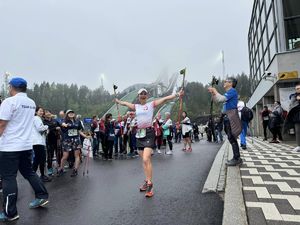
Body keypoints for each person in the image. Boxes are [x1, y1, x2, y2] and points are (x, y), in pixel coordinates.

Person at [115, 88, 184, 198]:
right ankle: (147, 180)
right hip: (139, 134)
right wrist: (118, 102)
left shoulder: (152, 104)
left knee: (146, 158)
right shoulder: (136, 107)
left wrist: (177, 94)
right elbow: (126, 104)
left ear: (147, 96)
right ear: (138, 96)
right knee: (144, 161)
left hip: (149, 133)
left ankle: (150, 185)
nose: (143, 95)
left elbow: (165, 99)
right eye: (141, 94)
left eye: (144, 94)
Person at [0, 77, 49, 222]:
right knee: (29, 172)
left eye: (9, 87)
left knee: (9, 177)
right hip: (26, 145)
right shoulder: (31, 103)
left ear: (12, 87)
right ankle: (41, 196)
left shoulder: (9, 102)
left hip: (9, 146)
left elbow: (2, 124)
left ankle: (10, 213)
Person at [208, 77, 242, 166]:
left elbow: (221, 99)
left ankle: (237, 158)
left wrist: (215, 91)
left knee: (232, 137)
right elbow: (216, 100)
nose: (224, 82)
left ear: (231, 83)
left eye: (226, 81)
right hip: (227, 117)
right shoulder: (228, 92)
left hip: (231, 116)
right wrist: (213, 94)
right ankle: (236, 157)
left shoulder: (232, 91)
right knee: (231, 137)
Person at [57, 109, 90, 177]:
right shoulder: (64, 121)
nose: (71, 114)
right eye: (69, 113)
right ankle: (61, 169)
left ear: (74, 114)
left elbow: (79, 131)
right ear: (67, 114)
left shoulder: (78, 121)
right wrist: (62, 124)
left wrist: (86, 136)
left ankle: (75, 170)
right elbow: (57, 121)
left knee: (76, 155)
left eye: (72, 112)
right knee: (65, 156)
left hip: (76, 140)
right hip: (67, 140)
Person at [32, 106, 52, 182]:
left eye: (42, 111)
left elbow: (40, 131)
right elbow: (40, 128)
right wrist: (46, 127)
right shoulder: (36, 118)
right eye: (40, 111)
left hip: (37, 142)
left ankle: (34, 175)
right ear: (36, 112)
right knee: (41, 159)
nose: (42, 112)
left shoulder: (36, 119)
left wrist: (45, 131)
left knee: (37, 159)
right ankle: (42, 176)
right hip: (38, 142)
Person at [43, 109, 60, 176]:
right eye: (46, 112)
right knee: (50, 155)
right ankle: (50, 169)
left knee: (59, 154)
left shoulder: (55, 121)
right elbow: (46, 129)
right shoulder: (43, 122)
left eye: (49, 112)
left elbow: (60, 127)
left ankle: (59, 167)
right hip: (49, 141)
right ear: (44, 115)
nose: (48, 113)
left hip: (57, 140)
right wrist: (55, 128)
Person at [287, 83, 300, 152]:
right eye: (297, 89)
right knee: (298, 131)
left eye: (299, 88)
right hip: (297, 116)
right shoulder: (294, 97)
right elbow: (291, 106)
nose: (298, 90)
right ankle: (298, 146)